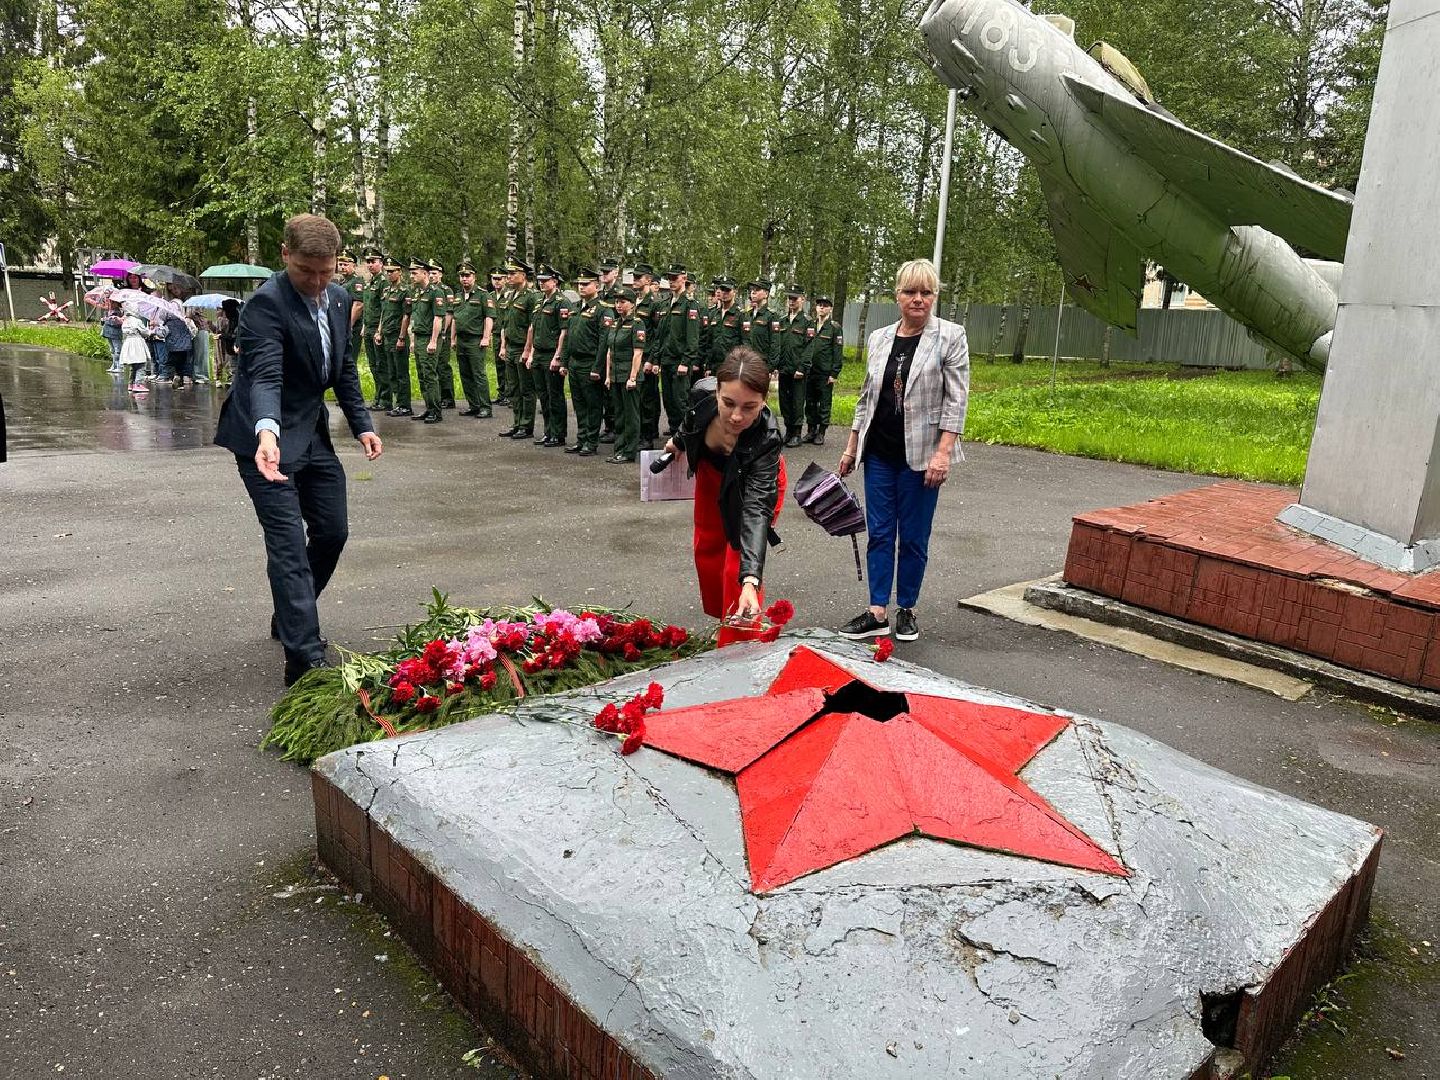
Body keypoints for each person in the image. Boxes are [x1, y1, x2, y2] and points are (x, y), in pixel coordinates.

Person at [213, 213, 382, 687]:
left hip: (311, 431)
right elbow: (265, 376)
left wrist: (362, 424)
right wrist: (267, 434)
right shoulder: (265, 305)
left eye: (326, 272)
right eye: (306, 271)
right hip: (262, 441)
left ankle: (290, 614)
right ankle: (304, 661)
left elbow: (342, 366)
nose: (316, 282)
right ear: (285, 255)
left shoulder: (340, 298)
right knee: (287, 545)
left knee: (332, 532)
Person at [837, 258, 968, 643]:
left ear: (935, 296)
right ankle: (877, 611)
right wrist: (851, 448)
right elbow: (867, 398)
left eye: (926, 292)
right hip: (879, 452)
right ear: (897, 296)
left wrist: (943, 453)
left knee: (912, 536)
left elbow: (956, 401)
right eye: (910, 291)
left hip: (923, 457)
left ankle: (907, 608)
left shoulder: (950, 336)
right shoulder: (879, 338)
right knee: (879, 533)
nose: (918, 299)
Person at [665, 347, 787, 622]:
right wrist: (677, 442)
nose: (736, 416)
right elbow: (691, 422)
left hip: (753, 485)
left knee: (736, 565)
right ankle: (723, 623)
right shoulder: (701, 395)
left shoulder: (767, 438)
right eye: (728, 403)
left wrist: (751, 579)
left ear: (764, 401)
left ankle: (740, 635)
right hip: (711, 475)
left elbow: (756, 510)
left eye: (749, 407)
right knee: (707, 551)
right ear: (716, 392)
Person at [557, 267, 609, 456]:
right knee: (579, 404)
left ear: (596, 286)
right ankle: (581, 438)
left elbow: (604, 341)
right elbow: (569, 337)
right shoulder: (575, 307)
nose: (581, 287)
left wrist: (597, 367)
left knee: (592, 405)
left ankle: (591, 441)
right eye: (579, 284)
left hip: (590, 362)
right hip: (575, 362)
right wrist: (564, 362)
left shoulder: (603, 310)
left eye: (586, 284)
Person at [603, 284, 646, 464]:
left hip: (629, 376)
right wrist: (608, 376)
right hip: (616, 375)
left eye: (623, 302)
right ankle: (619, 449)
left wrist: (633, 377)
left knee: (631, 416)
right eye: (616, 302)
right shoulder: (615, 323)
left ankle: (629, 451)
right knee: (619, 415)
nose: (618, 305)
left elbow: (638, 353)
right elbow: (609, 351)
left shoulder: (637, 324)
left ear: (632, 304)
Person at [450, 259, 494, 418]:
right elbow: (455, 318)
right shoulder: (457, 295)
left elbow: (489, 317)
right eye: (462, 276)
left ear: (474, 277)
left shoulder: (483, 295)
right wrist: (452, 338)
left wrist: (486, 337)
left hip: (475, 340)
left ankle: (485, 407)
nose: (464, 278)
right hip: (461, 340)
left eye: (467, 275)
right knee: (465, 374)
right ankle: (473, 405)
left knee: (478, 374)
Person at [773, 284, 813, 446]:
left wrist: (802, 368)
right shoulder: (782, 320)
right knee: (784, 401)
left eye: (795, 298)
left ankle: (797, 432)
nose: (791, 301)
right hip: (784, 368)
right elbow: (778, 344)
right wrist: (776, 365)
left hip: (798, 369)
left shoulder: (807, 322)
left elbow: (809, 347)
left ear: (802, 299)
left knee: (797, 401)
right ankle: (788, 430)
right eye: (789, 298)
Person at [803, 295, 844, 445]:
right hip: (810, 371)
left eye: (825, 305)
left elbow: (838, 352)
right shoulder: (810, 325)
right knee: (810, 402)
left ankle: (821, 432)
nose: (821, 307)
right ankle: (811, 430)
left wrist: (834, 373)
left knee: (824, 403)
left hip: (825, 373)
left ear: (830, 309)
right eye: (819, 305)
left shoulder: (834, 328)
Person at [119, 303, 151, 393]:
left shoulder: (125, 321)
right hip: (137, 343)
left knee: (133, 365)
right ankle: (139, 384)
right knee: (141, 364)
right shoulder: (137, 321)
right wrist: (150, 332)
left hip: (128, 342)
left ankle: (131, 383)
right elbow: (145, 332)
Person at [101, 301, 124, 373]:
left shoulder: (118, 312)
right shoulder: (107, 311)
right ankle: (114, 365)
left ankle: (119, 366)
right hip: (108, 332)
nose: (110, 304)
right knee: (112, 349)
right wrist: (103, 320)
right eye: (109, 302)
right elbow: (105, 322)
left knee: (117, 349)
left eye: (112, 303)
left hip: (115, 333)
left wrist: (108, 320)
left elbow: (117, 323)